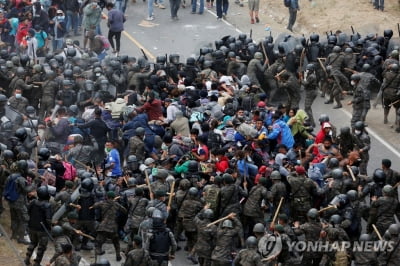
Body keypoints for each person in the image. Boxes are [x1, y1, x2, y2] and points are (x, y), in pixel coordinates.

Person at [91, 191, 127, 261]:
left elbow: (94, 206)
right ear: (113, 197)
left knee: (99, 242)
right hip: (113, 227)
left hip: (103, 226)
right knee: (116, 242)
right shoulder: (117, 205)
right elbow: (125, 211)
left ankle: (99, 254)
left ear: (107, 197)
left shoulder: (102, 203)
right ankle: (118, 255)